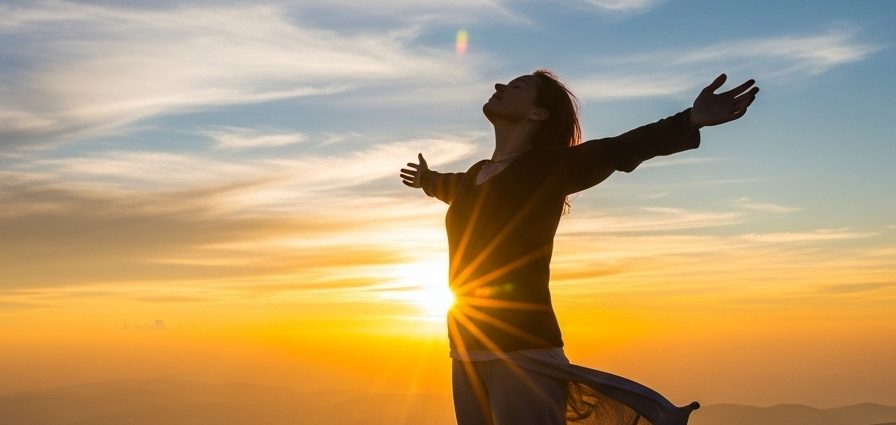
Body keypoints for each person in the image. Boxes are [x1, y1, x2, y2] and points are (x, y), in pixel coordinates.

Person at [399, 70, 758, 425]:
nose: (499, 85)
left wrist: (690, 120)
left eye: (517, 85)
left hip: (522, 352)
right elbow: (454, 187)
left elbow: (619, 149)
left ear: (538, 113)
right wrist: (426, 180)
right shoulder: (475, 176)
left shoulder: (547, 169)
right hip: (465, 350)